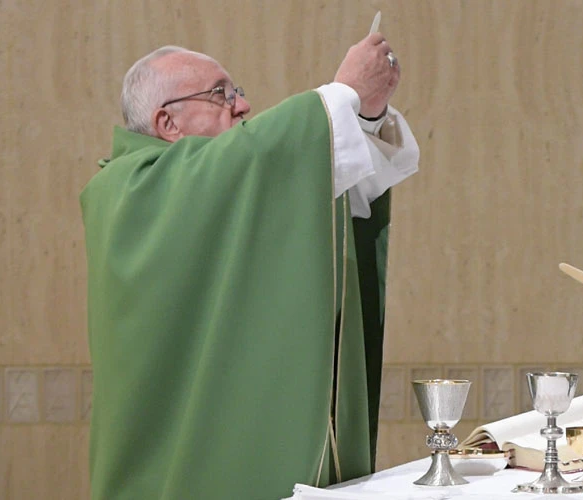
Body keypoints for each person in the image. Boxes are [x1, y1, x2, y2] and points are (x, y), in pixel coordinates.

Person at [80, 32, 419, 500]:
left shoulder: (223, 188)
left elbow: (331, 184)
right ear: (168, 123)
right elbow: (257, 154)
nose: (242, 105)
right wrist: (343, 95)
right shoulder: (133, 189)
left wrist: (365, 115)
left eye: (235, 91)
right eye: (220, 93)